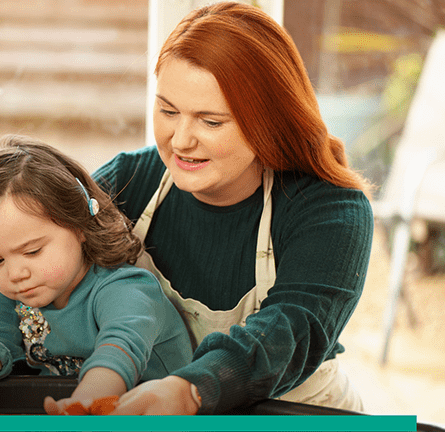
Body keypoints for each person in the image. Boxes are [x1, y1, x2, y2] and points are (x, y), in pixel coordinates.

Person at [93, 1, 374, 415]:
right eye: (168, 110)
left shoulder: (330, 210)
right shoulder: (126, 183)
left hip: (298, 413)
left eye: (211, 122)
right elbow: (38, 259)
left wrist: (191, 391)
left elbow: (290, 331)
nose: (180, 140)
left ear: (269, 120)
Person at [0, 134, 194, 414]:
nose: (15, 273)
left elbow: (119, 352)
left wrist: (88, 399)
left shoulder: (127, 289)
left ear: (79, 226)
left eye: (32, 251)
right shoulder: (15, 293)